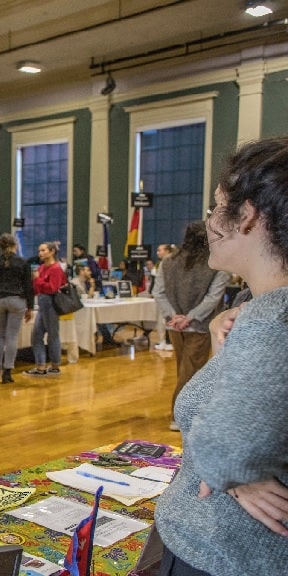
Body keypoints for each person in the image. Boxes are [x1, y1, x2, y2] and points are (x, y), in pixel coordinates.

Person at [154, 137, 288, 576]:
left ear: (247, 216)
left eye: (216, 206)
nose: (209, 220)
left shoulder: (271, 315)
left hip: (224, 554)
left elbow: (225, 451)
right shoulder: (254, 308)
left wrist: (232, 474)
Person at [153, 221, 229, 431]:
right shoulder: (215, 265)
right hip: (199, 325)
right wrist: (190, 317)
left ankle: (184, 412)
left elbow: (158, 292)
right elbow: (213, 298)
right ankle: (179, 416)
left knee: (184, 370)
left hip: (175, 325)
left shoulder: (168, 262)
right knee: (191, 372)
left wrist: (174, 315)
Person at [0, 233, 33, 383]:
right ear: (15, 246)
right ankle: (7, 372)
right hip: (16, 300)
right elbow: (28, 286)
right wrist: (30, 307)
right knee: (12, 337)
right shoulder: (22, 262)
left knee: (0, 336)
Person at [26, 241, 66, 376]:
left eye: (43, 250)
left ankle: (55, 365)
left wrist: (38, 280)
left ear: (52, 251)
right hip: (42, 302)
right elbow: (38, 288)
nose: (40, 253)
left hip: (51, 303)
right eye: (39, 251)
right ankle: (41, 366)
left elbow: (53, 288)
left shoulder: (56, 269)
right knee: (36, 335)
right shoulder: (42, 268)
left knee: (52, 335)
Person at [152, 243, 176, 351]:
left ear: (167, 251)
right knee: (163, 320)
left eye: (160, 250)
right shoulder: (160, 263)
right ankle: (164, 340)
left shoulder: (170, 262)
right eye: (157, 250)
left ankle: (168, 341)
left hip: (168, 296)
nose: (158, 252)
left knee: (168, 318)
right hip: (162, 294)